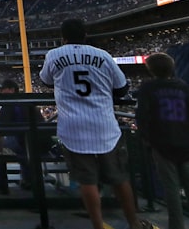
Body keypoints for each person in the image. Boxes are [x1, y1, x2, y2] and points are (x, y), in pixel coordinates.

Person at [39, 18, 151, 229]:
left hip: (72, 127)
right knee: (119, 178)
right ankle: (133, 222)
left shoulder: (54, 55)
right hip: (104, 125)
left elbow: (46, 81)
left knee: (87, 181)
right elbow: (122, 88)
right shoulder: (103, 55)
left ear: (62, 37)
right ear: (85, 35)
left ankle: (98, 225)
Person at [135, 53, 189, 229]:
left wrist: (146, 140)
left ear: (151, 69)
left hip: (162, 145)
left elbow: (142, 117)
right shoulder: (183, 87)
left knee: (171, 191)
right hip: (187, 143)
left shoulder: (148, 88)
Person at [0, 78, 34, 193]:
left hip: (23, 142)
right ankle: (28, 181)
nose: (0, 92)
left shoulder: (9, 102)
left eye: (2, 89)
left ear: (11, 90)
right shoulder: (27, 100)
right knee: (24, 147)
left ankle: (1, 185)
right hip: (38, 142)